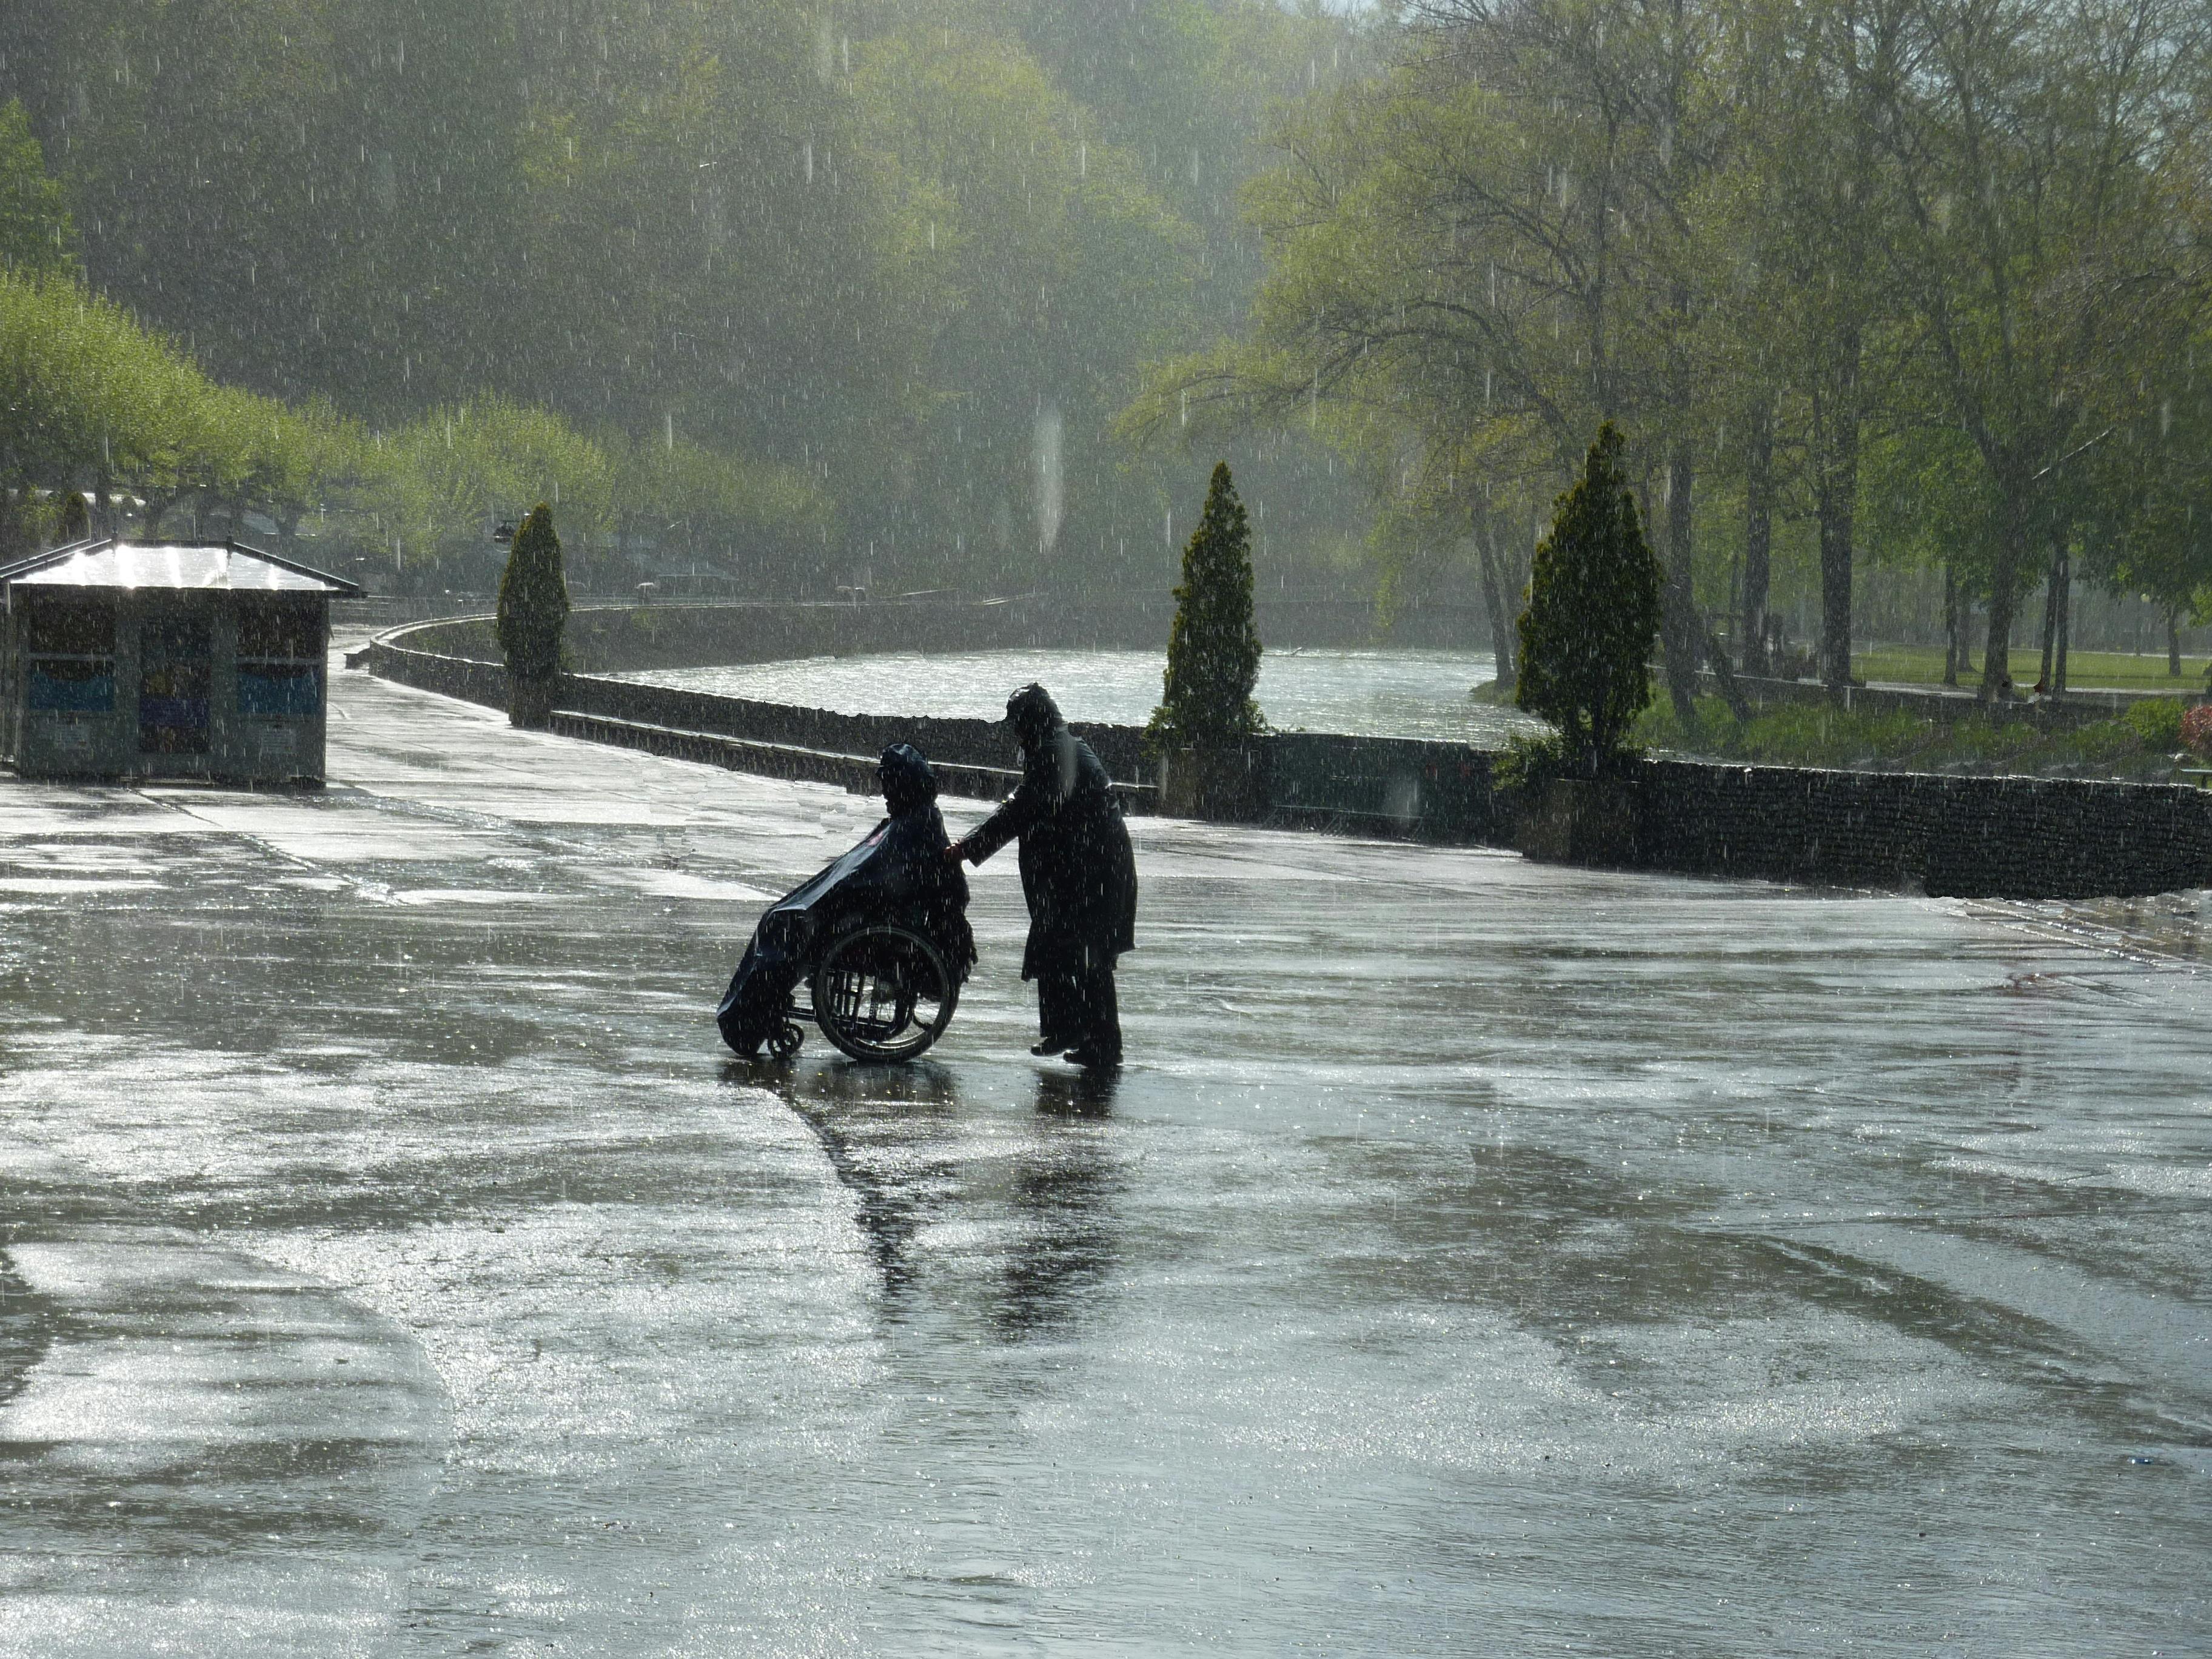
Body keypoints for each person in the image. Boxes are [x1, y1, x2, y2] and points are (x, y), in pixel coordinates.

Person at [718, 743, 973, 1057]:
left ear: (903, 784)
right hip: (881, 912)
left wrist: (830, 899)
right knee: (781, 917)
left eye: (889, 785)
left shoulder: (912, 828)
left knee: (784, 923)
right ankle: (753, 1013)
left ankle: (748, 1020)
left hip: (885, 921)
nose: (885, 794)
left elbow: (873, 881)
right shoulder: (915, 821)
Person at [949, 684, 1136, 1069]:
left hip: (1093, 875)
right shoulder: (1062, 747)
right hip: (1092, 873)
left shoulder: (1054, 755)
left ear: (1032, 723)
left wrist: (966, 848)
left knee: (1078, 954)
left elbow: (1019, 811)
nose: (1016, 735)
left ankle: (1082, 1036)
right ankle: (1093, 1041)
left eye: (1018, 726)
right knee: (1079, 956)